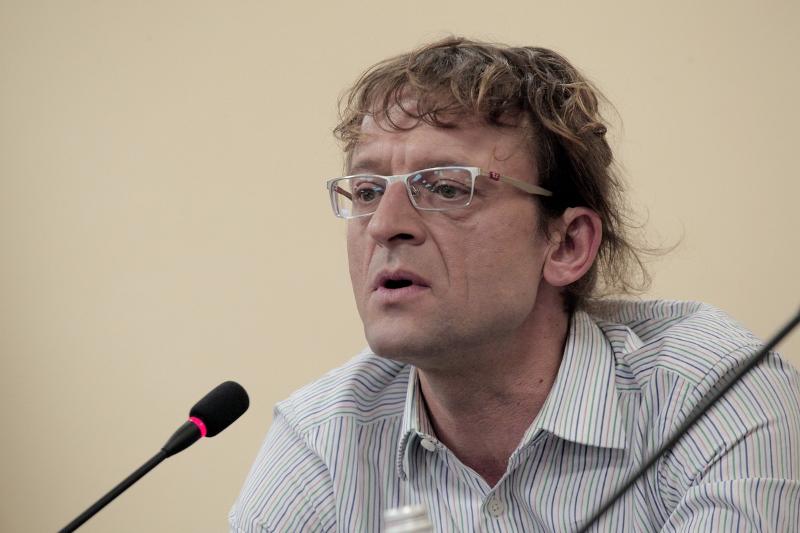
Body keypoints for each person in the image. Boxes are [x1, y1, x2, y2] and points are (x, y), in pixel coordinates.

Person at [229, 37, 800, 532]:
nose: (383, 225)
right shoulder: (323, 442)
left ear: (566, 244)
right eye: (367, 191)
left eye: (446, 188)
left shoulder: (711, 393)